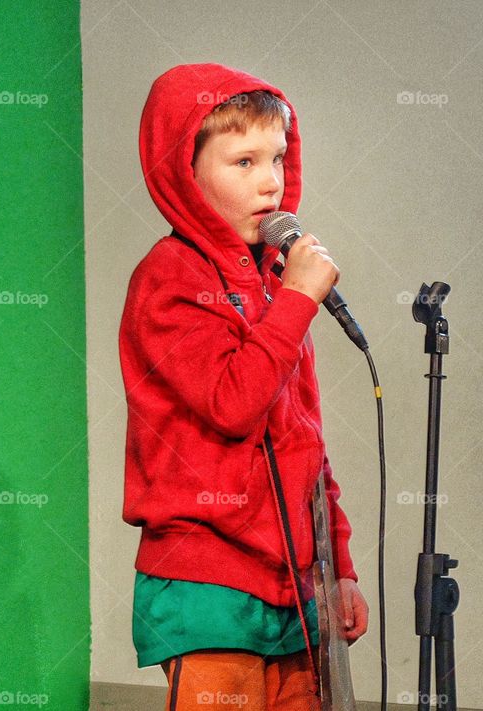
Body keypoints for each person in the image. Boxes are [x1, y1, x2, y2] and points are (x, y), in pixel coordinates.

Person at [120, 63, 368, 709]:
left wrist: (338, 565)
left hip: (293, 579)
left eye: (279, 158)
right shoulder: (169, 278)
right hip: (209, 581)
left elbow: (303, 439)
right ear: (185, 170)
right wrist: (295, 303)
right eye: (244, 161)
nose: (270, 180)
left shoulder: (274, 281)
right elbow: (233, 404)